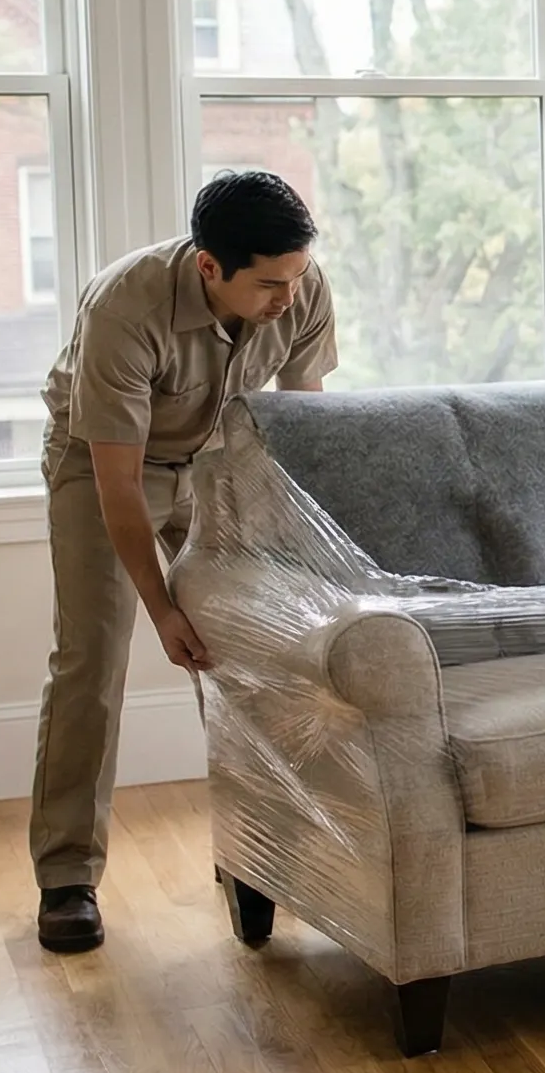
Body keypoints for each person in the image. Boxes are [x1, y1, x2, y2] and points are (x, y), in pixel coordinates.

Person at [30, 171, 336, 953]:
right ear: (210, 267)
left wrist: (292, 562)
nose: (286, 298)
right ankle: (68, 876)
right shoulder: (125, 309)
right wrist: (162, 607)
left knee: (249, 655)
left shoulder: (299, 285)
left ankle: (256, 853)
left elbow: (299, 428)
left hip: (213, 464)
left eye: (296, 278)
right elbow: (118, 482)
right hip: (99, 467)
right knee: (91, 660)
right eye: (269, 284)